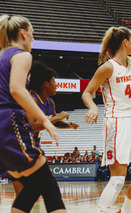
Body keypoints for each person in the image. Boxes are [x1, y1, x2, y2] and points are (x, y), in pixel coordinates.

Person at [82, 26, 131, 213]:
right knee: (117, 179)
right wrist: (92, 107)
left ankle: (126, 210)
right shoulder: (107, 67)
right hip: (117, 121)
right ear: (125, 42)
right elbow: (87, 92)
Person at [0, 15, 66, 212]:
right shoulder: (21, 55)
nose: (33, 39)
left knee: (33, 187)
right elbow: (17, 89)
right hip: (9, 121)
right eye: (33, 35)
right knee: (50, 188)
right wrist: (45, 119)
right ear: (23, 34)